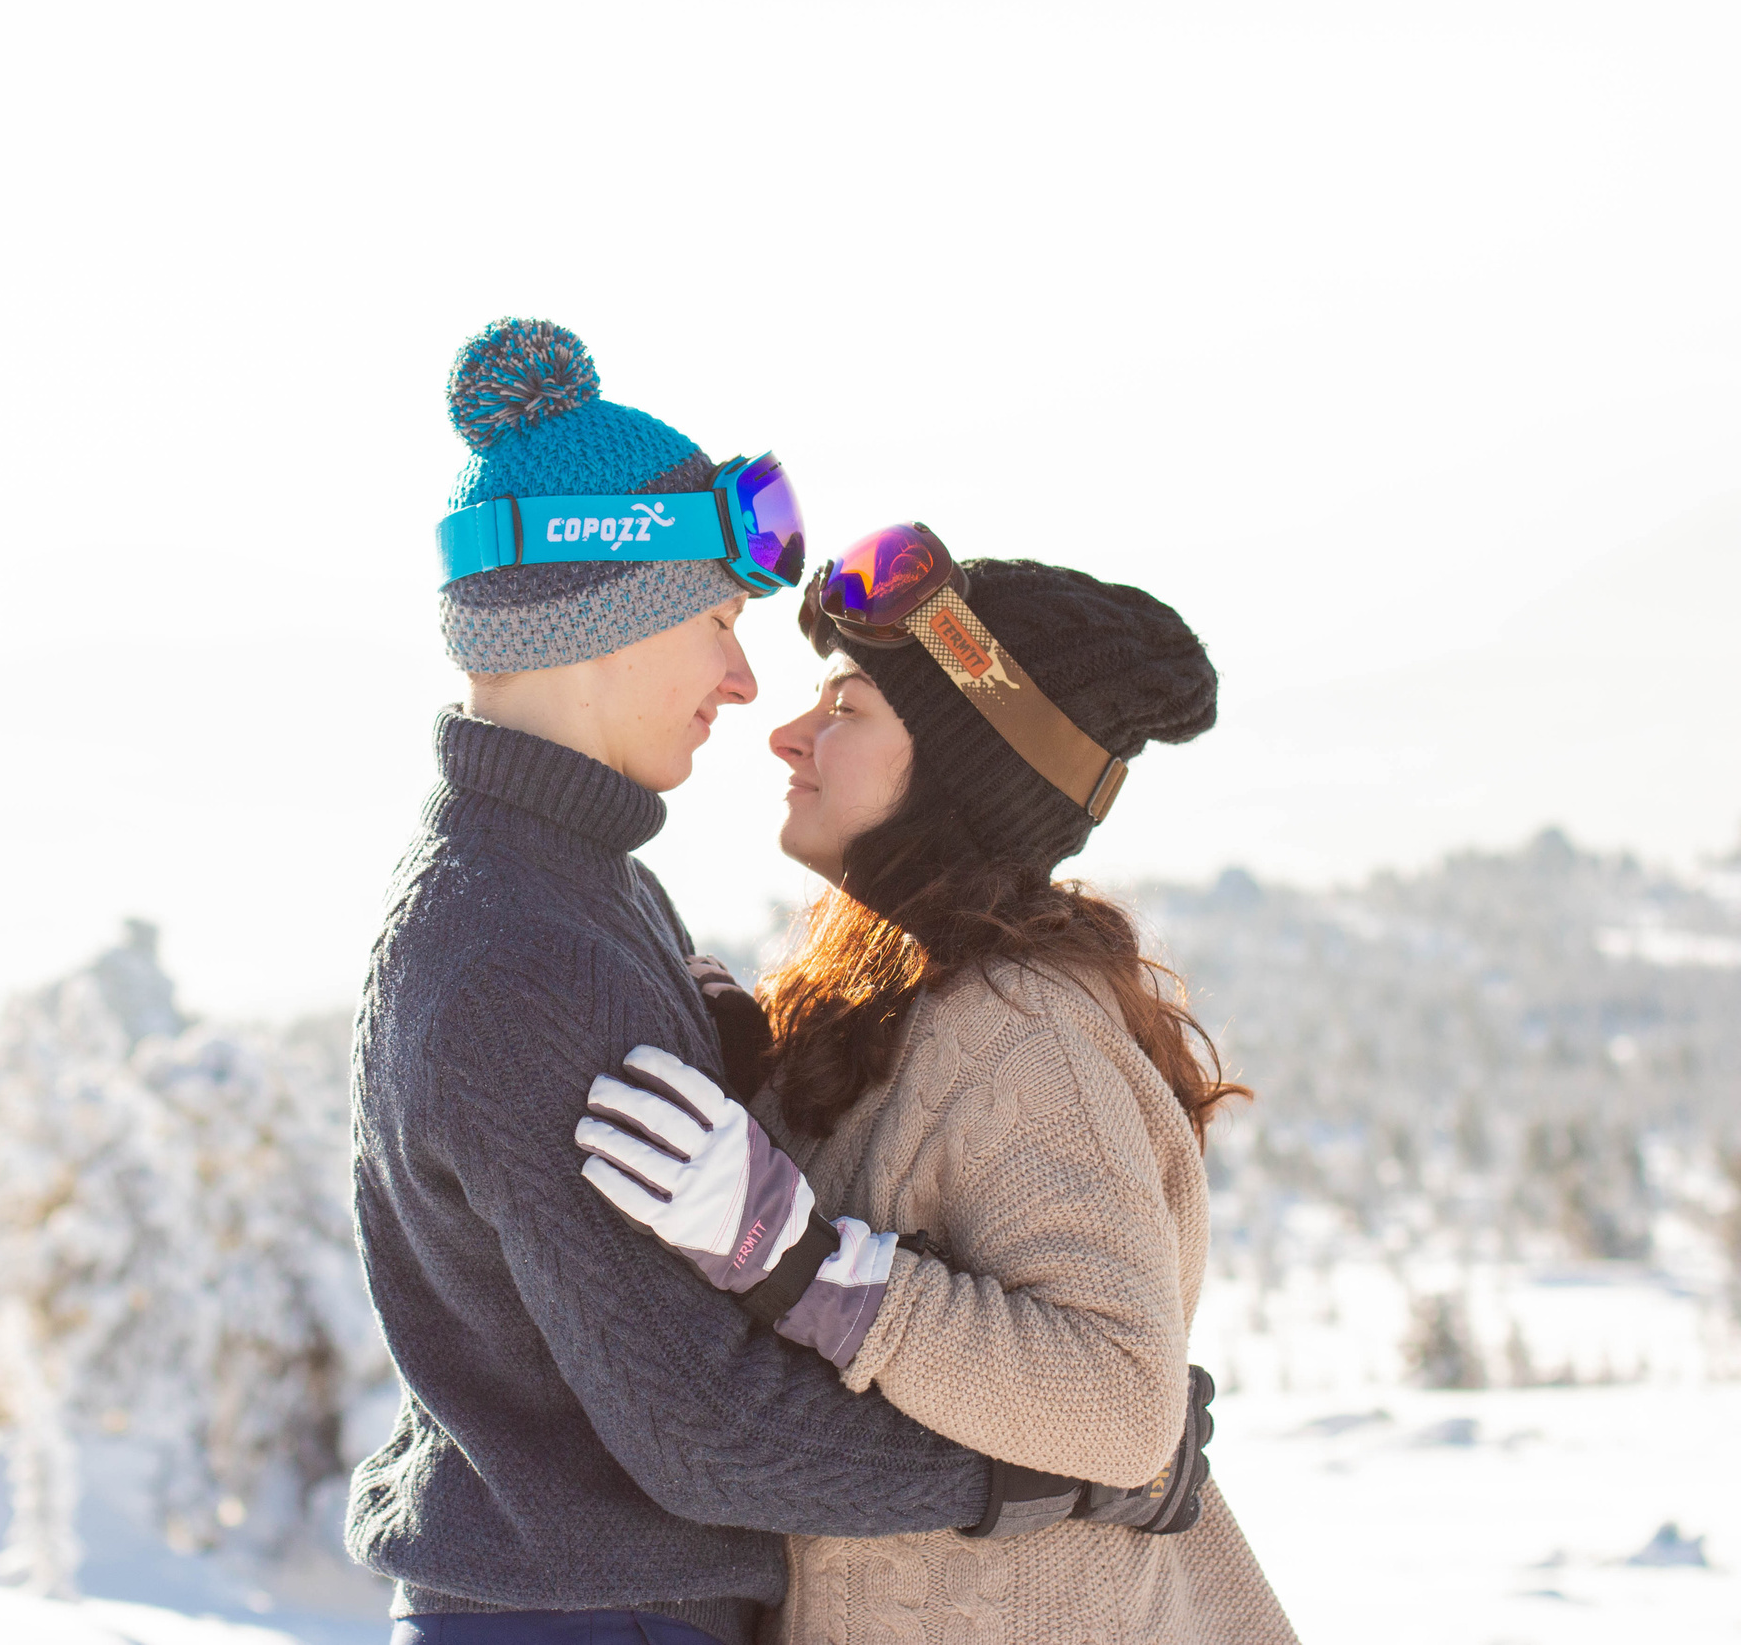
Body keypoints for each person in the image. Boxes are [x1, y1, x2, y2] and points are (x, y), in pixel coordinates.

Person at [346, 323, 1209, 1645]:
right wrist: (1060, 1476)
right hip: (590, 1618)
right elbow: (705, 1421)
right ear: (604, 619)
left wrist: (759, 1117)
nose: (753, 691)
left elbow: (1096, 1372)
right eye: (717, 621)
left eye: (847, 703)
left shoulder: (578, 893)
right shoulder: (530, 943)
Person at [575, 522, 1298, 1643]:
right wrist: (745, 1061)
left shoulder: (1025, 1037)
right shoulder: (900, 996)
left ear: (966, 775)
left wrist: (800, 1260)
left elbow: (1118, 1403)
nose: (786, 733)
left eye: (848, 708)